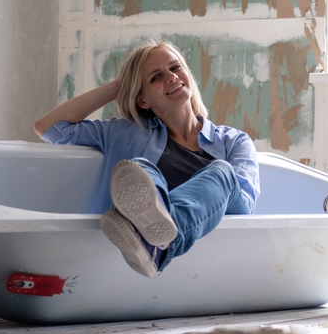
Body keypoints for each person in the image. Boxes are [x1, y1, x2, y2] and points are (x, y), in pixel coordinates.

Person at [33, 40, 259, 278]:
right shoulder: (125, 133)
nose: (171, 77)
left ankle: (164, 243)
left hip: (212, 257)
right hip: (131, 265)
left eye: (175, 67)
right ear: (142, 100)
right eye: (155, 77)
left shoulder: (234, 141)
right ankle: (154, 242)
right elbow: (49, 128)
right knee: (139, 168)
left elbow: (244, 206)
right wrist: (119, 86)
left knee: (221, 172)